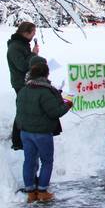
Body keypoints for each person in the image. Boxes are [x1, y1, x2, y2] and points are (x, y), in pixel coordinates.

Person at [16, 61, 72, 203]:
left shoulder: (23, 90)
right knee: (47, 161)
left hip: (25, 133)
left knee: (29, 161)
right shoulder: (45, 91)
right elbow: (55, 112)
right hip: (41, 134)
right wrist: (69, 104)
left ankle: (30, 192)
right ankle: (42, 191)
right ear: (46, 74)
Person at [7, 21, 40, 150]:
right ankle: (17, 141)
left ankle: (21, 139)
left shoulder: (22, 44)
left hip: (26, 81)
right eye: (33, 33)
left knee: (25, 110)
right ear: (26, 32)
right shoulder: (15, 47)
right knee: (22, 111)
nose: (34, 35)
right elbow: (22, 66)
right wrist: (33, 54)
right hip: (20, 83)